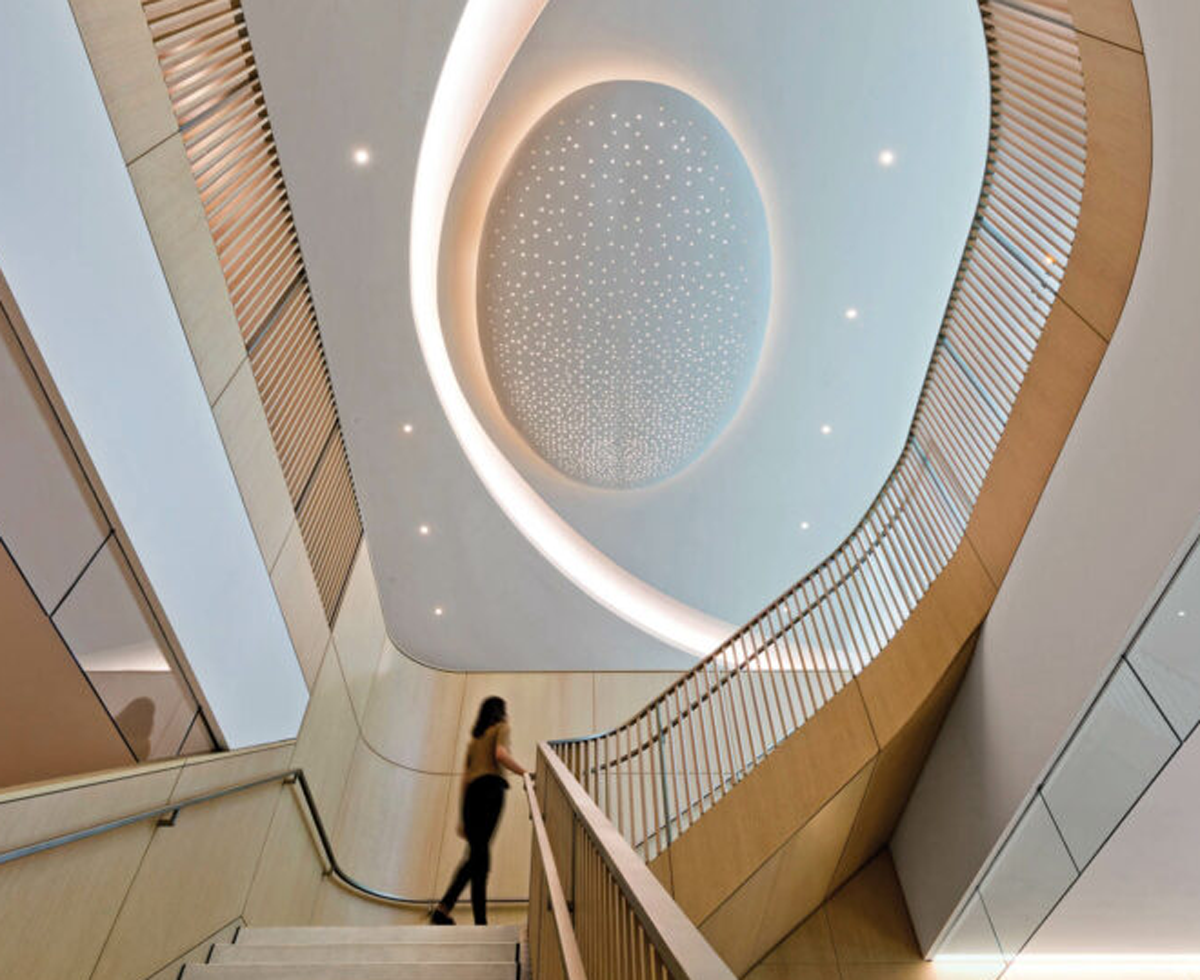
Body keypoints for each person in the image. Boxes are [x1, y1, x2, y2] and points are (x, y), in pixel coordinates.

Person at [431, 695, 530, 925]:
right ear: (500, 712)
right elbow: (501, 755)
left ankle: (452, 912)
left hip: (471, 797)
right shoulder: (502, 728)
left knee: (477, 856)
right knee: (479, 857)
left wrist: (461, 817)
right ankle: (461, 916)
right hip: (491, 791)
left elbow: (464, 779)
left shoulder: (473, 742)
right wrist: (525, 772)